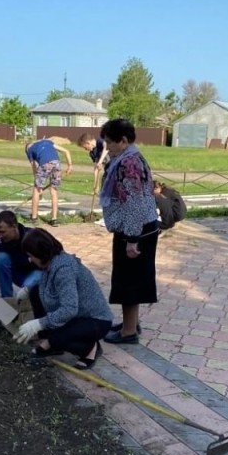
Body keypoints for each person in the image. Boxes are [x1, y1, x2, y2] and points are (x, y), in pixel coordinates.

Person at [14, 229, 112, 369]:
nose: (30, 260)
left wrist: (39, 324)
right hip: (76, 316)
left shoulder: (63, 269)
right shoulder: (52, 261)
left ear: (40, 253)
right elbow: (48, 284)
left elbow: (69, 309)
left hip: (94, 320)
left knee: (58, 337)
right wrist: (28, 290)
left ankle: (90, 348)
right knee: (35, 291)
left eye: (31, 255)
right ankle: (51, 342)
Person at [99, 118, 159, 345]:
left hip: (136, 230)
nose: (108, 148)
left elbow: (134, 202)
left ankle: (129, 331)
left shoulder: (128, 163)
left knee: (129, 282)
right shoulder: (129, 157)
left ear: (123, 141)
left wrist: (132, 239)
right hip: (137, 227)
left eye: (110, 143)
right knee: (129, 279)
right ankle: (130, 323)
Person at [0, 211, 43, 302]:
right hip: (16, 274)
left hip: (36, 275)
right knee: (0, 258)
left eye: (3, 232)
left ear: (14, 226)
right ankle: (8, 301)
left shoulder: (32, 237)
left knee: (38, 278)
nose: (0, 236)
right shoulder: (0, 242)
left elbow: (50, 260)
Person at [25, 137, 73, 226]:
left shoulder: (29, 150)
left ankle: (34, 218)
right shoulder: (47, 142)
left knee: (36, 191)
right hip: (57, 163)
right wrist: (70, 165)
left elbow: (34, 167)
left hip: (44, 164)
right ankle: (54, 219)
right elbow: (66, 151)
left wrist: (38, 185)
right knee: (54, 191)